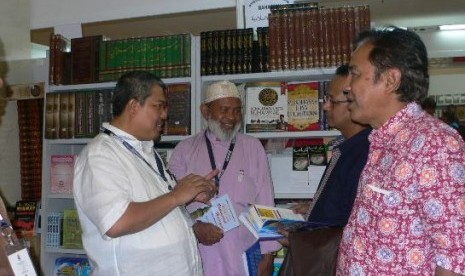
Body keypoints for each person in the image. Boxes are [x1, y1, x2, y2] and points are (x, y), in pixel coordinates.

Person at [338, 26, 465, 275]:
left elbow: (454, 257)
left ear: (390, 80)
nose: (346, 86)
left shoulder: (435, 145)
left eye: (354, 74)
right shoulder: (383, 141)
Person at [73, 71, 218, 276]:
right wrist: (176, 196)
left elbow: (155, 207)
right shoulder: (99, 155)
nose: (165, 115)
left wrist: (188, 195)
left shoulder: (145, 150)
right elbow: (117, 222)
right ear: (133, 106)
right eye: (158, 106)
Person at [168, 80, 281, 276]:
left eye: (237, 110)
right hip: (199, 249)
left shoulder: (253, 147)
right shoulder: (184, 150)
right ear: (206, 111)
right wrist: (194, 227)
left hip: (246, 251)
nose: (232, 117)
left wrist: (269, 255)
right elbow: (169, 205)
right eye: (225, 109)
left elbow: (266, 203)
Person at [288, 64, 371, 227]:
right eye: (326, 99)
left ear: (355, 102)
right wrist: (315, 209)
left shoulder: (366, 154)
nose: (325, 106)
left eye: (333, 101)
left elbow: (353, 226)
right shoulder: (345, 146)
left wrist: (299, 239)